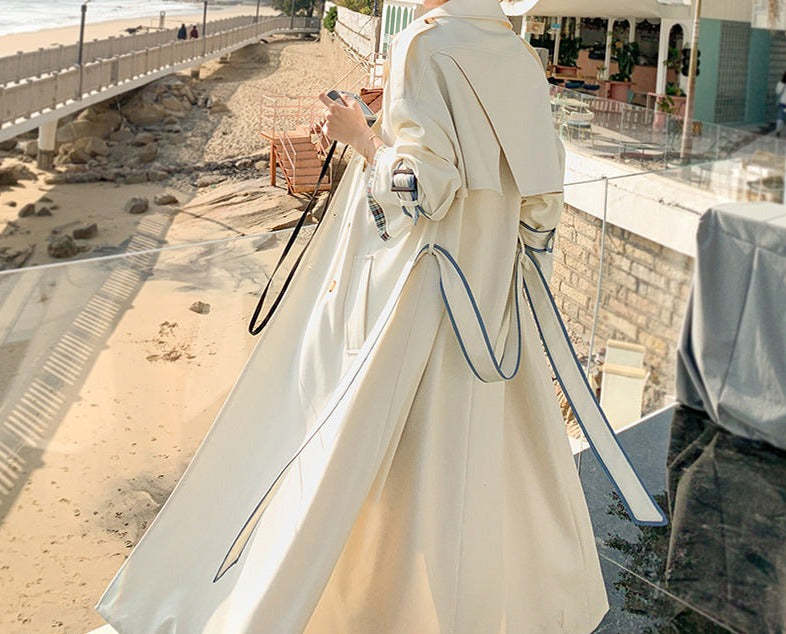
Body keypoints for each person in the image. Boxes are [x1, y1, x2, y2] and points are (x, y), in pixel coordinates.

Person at [96, 0, 664, 631]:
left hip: (423, 296)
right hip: (489, 300)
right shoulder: (516, 52)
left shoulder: (423, 44)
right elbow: (538, 199)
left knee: (359, 449)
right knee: (468, 461)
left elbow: (422, 188)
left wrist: (359, 135)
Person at [777, 71, 786, 137]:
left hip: (783, 103)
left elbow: (777, 92)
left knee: (780, 117)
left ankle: (778, 130)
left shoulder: (781, 83)